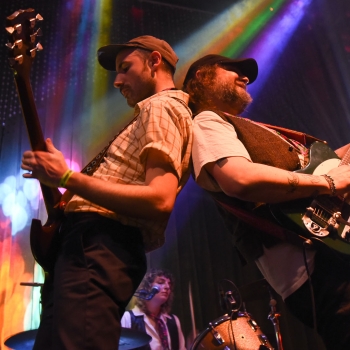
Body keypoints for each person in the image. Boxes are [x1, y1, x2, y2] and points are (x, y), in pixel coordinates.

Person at [21, 35, 192, 350]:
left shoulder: (161, 106)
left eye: (125, 68)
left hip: (98, 246)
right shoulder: (150, 113)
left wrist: (67, 176)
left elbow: (160, 198)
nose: (117, 81)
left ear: (155, 61)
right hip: (84, 247)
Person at [182, 54, 350, 350]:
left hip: (333, 250)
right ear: (202, 78)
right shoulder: (207, 121)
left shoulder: (253, 130)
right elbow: (240, 180)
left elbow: (313, 170)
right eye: (233, 69)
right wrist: (330, 183)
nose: (245, 77)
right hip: (317, 263)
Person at [121, 268, 186, 350]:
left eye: (169, 284)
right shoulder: (128, 318)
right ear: (147, 287)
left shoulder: (173, 321)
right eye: (161, 282)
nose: (167, 286)